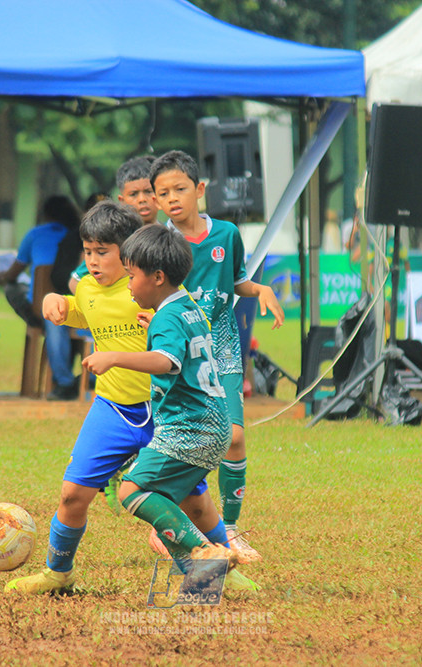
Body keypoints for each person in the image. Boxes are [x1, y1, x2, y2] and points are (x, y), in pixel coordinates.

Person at [3, 202, 256, 595]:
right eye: (87, 251)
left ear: (129, 254)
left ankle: (221, 569)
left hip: (165, 414)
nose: (92, 261)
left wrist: (150, 328)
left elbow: (193, 327)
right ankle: (58, 572)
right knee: (72, 494)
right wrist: (58, 302)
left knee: (194, 501)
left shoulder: (151, 291)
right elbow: (82, 312)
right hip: (112, 410)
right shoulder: (88, 288)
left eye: (102, 252)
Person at [150, 150, 284, 563]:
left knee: (234, 437)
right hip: (181, 351)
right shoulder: (160, 242)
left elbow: (238, 281)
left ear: (200, 189)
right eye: (163, 194)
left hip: (222, 349)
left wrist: (260, 289)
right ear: (155, 201)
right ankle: (168, 521)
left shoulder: (226, 234)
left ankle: (230, 529)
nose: (172, 198)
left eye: (180, 189)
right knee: (184, 440)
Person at [80, 224, 239, 571]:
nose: (128, 284)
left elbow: (166, 361)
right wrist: (154, 325)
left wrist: (114, 357)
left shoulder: (166, 318)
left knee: (130, 492)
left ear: (157, 277)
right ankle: (203, 576)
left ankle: (205, 550)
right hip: (212, 424)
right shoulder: (187, 306)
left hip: (189, 428)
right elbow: (186, 339)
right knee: (166, 500)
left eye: (131, 276)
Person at [0, 195, 82, 400]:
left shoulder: (35, 234)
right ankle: (69, 380)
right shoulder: (75, 236)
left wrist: (2, 277)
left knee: (12, 289)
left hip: (43, 305)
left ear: (45, 214)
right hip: (73, 301)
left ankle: (35, 322)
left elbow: (13, 273)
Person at [67, 155, 160, 294]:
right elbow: (75, 282)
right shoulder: (117, 236)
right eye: (134, 194)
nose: (142, 199)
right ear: (122, 200)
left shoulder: (169, 236)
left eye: (148, 191)